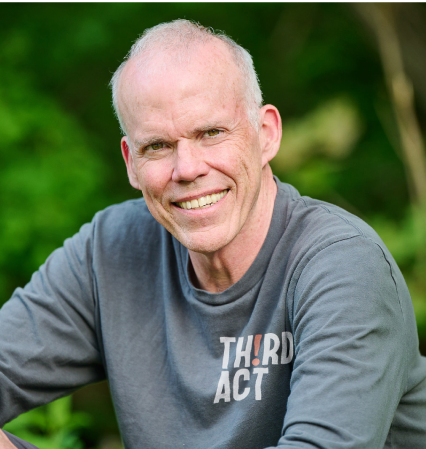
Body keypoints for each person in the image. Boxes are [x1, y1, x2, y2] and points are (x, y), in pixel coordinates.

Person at [1, 19, 426, 449]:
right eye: (158, 146)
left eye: (211, 133)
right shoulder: (112, 252)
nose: (187, 169)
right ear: (131, 162)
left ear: (266, 134)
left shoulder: (344, 266)